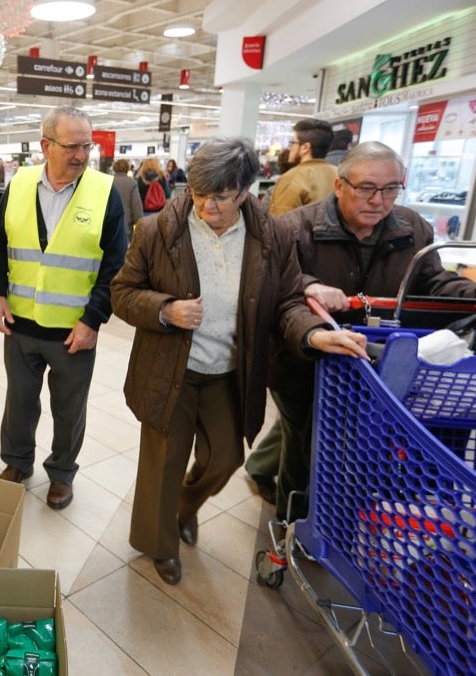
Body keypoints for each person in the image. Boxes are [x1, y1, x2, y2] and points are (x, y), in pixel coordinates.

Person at [110, 136, 368, 586]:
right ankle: (160, 544)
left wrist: (313, 332)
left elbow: (286, 300)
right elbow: (122, 292)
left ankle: (183, 509)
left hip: (231, 370)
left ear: (246, 191)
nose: (208, 206)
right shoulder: (156, 232)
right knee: (164, 462)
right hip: (169, 368)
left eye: (222, 197)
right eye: (199, 193)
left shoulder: (271, 234)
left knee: (224, 458)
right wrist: (164, 309)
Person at [270, 140, 476, 521]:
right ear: (339, 186)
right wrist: (308, 286)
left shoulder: (412, 227)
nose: (378, 200)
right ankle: (291, 525)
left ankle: (347, 527)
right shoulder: (294, 228)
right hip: (307, 364)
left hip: (377, 365)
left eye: (390, 189)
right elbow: (275, 287)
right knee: (307, 450)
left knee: (363, 454)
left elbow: (428, 280)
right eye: (366, 188)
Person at [0, 105, 128, 510]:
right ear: (46, 146)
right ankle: (17, 463)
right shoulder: (20, 184)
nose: (82, 154)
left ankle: (62, 474)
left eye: (87, 145)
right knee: (20, 401)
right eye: (72, 146)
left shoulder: (104, 192)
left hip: (74, 330)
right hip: (21, 325)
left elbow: (116, 266)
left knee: (68, 409)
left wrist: (93, 319)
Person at [244, 118, 339, 502]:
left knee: (299, 413)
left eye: (292, 142)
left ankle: (272, 478)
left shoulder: (293, 180)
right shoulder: (337, 174)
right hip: (335, 306)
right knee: (304, 412)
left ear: (304, 147)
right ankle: (262, 466)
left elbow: (273, 242)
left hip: (297, 303)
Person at [266, 118, 337, 216]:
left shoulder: (292, 178)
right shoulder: (339, 175)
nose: (289, 148)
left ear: (305, 148)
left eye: (293, 143)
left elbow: (281, 224)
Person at [112, 158, 143, 240]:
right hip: (125, 224)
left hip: (108, 223)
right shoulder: (132, 183)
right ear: (127, 168)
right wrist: (139, 221)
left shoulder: (107, 181)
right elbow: (136, 205)